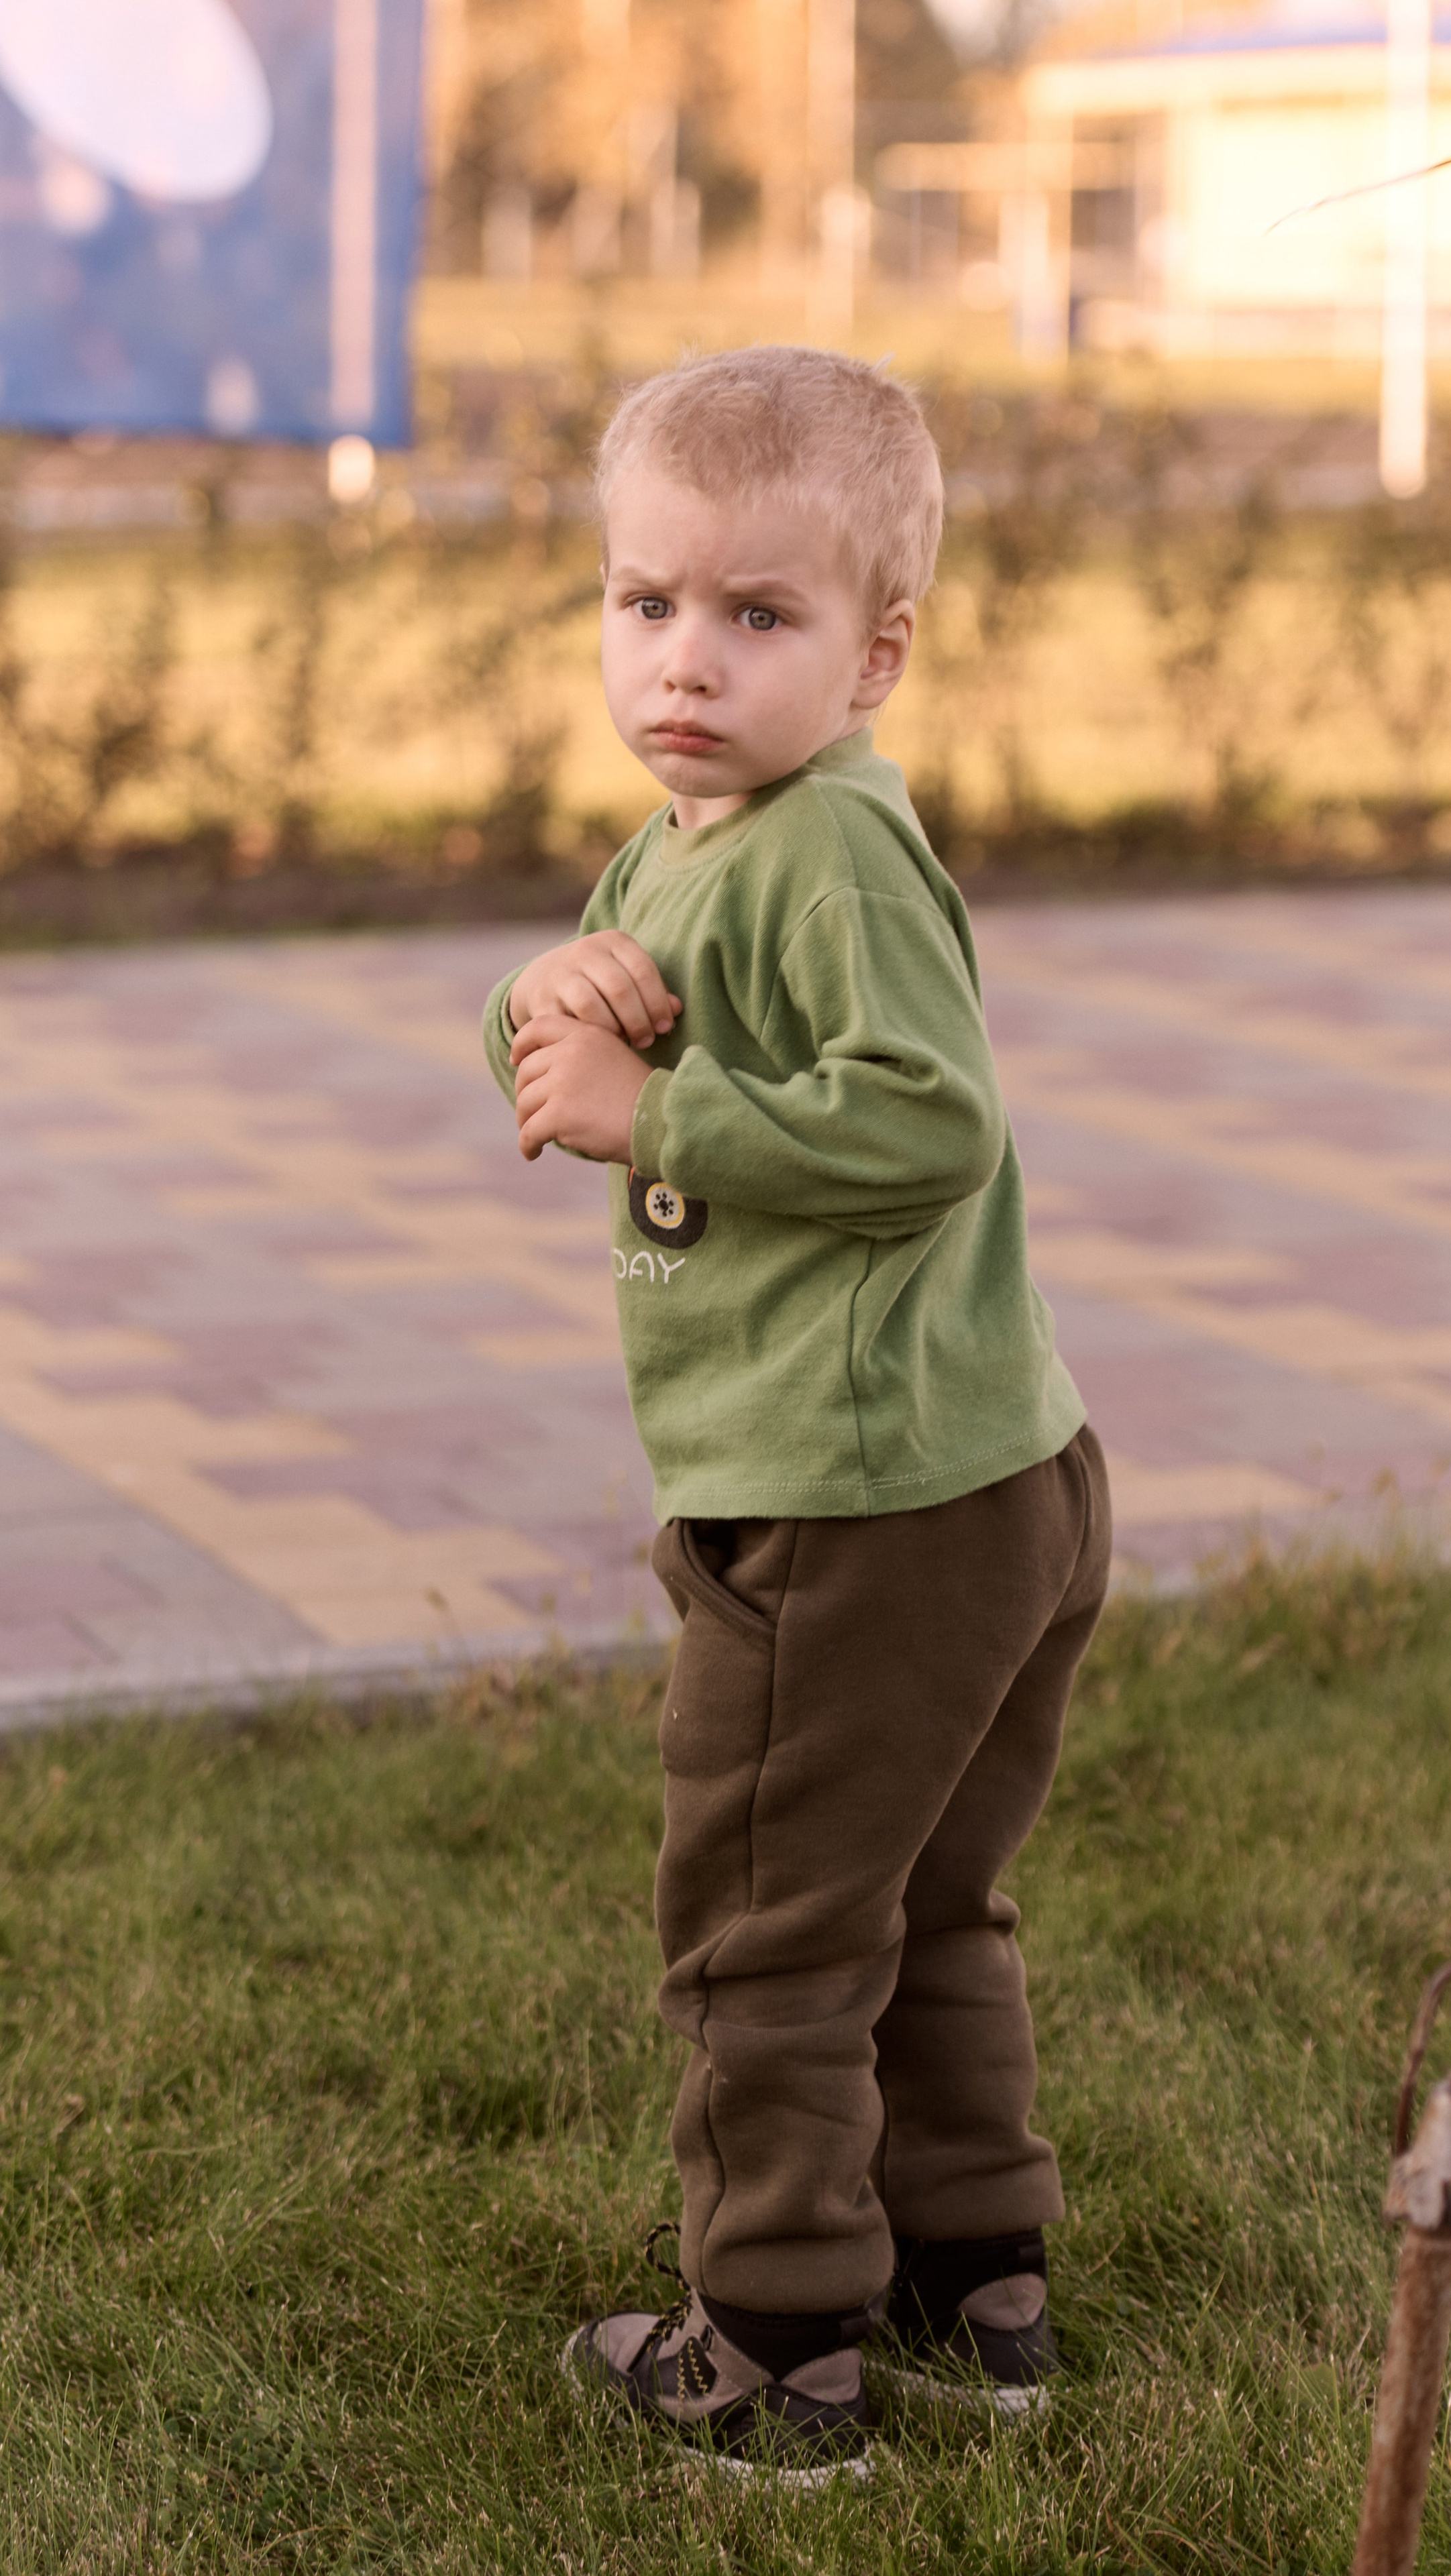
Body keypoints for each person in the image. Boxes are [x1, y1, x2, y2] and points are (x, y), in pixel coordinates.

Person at [482, 345, 1110, 2486]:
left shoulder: (829, 851)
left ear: (878, 652)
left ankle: (775, 2346)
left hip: (863, 1509)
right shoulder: (707, 828)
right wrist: (540, 1005)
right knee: (924, 1900)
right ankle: (977, 2274)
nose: (685, 661)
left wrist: (659, 1105)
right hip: (968, 1473)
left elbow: (930, 1123)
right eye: (645, 604)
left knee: (768, 1925)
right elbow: (585, 982)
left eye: (758, 619)